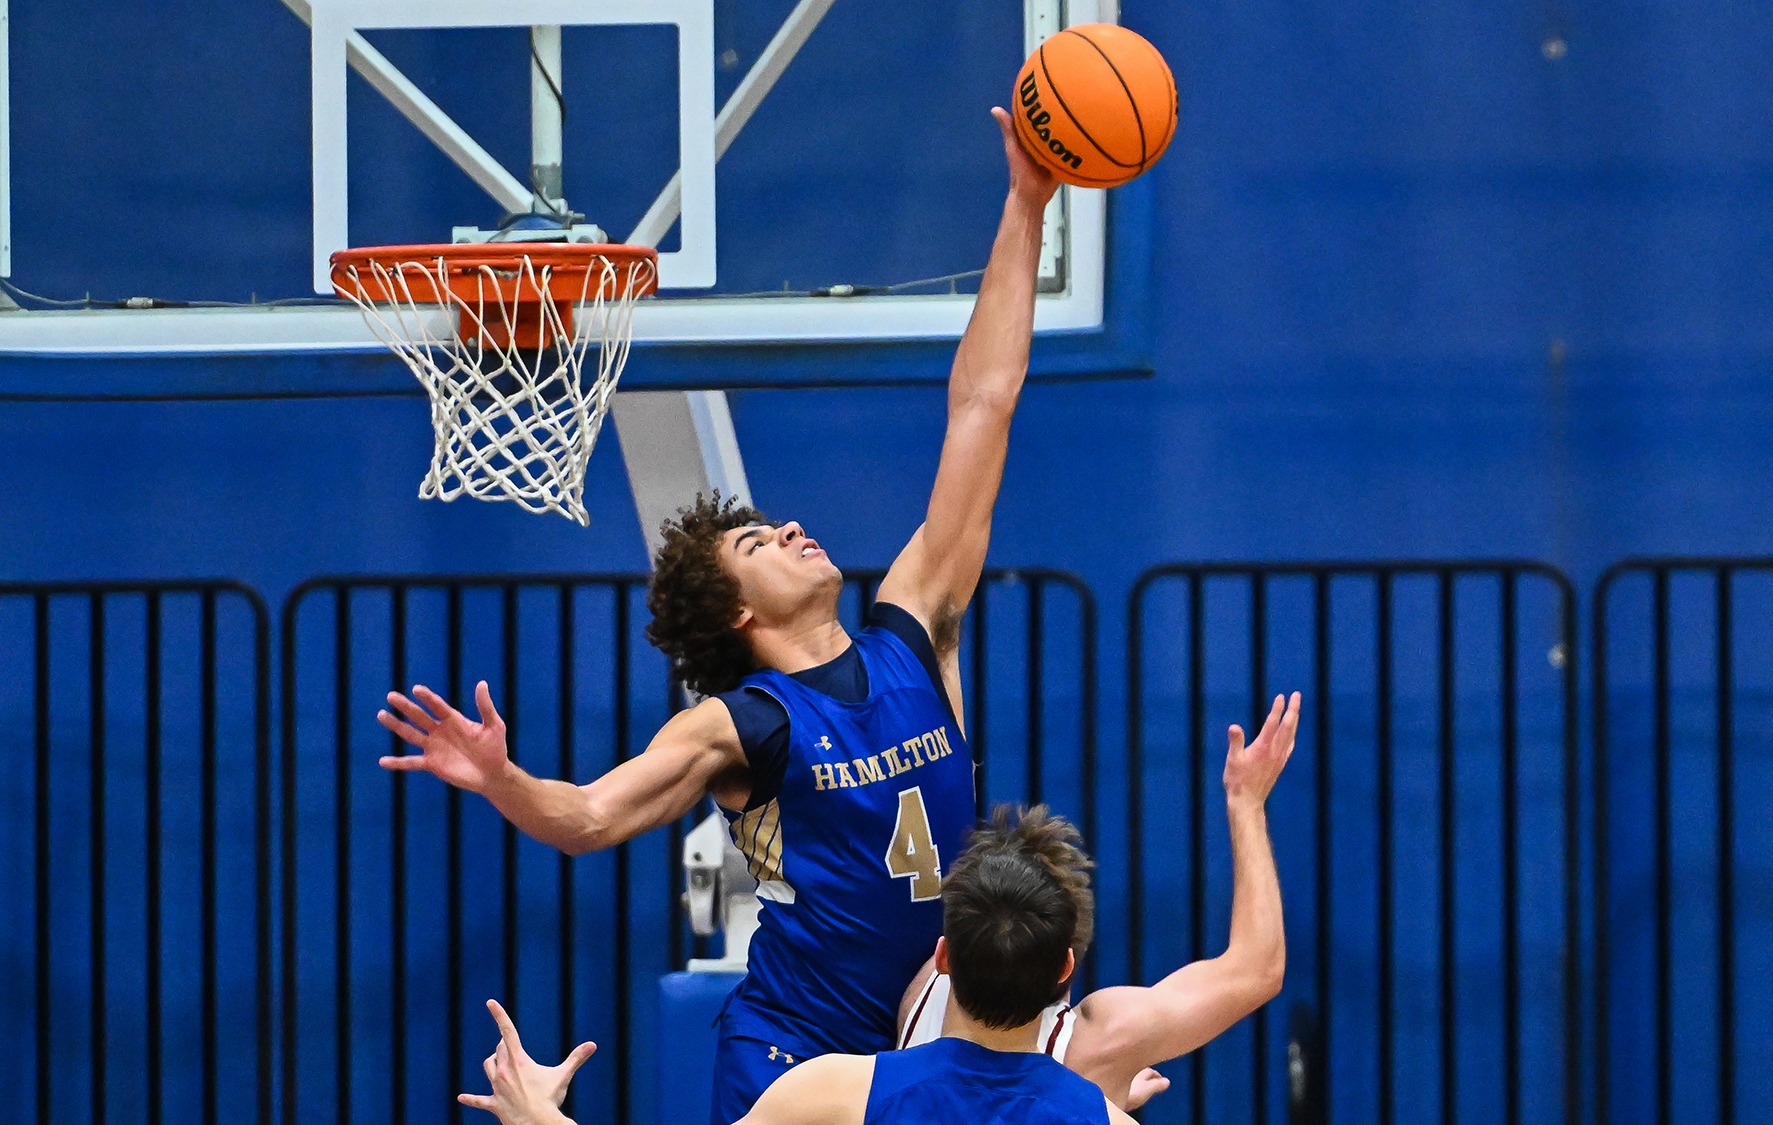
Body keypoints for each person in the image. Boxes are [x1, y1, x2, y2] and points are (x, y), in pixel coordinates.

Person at [377, 105, 1061, 1124]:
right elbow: (595, 816)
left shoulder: (912, 625)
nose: (789, 529)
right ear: (738, 613)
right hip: (795, 1054)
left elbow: (983, 403)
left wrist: (1025, 203)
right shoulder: (741, 725)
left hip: (930, 1042)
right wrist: (500, 778)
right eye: (756, 544)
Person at [459, 807, 1140, 1125]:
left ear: (942, 958)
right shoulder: (1101, 1118)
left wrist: (536, 1115)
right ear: (1066, 971)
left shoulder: (842, 1090)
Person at [896, 692, 1298, 1110]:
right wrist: (1245, 802)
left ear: (945, 954)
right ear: (1065, 965)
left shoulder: (921, 995)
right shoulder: (1093, 1049)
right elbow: (1257, 968)